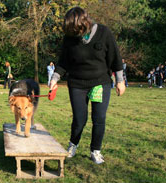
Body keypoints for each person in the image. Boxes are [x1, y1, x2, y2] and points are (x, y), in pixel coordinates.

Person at [49, 7, 125, 164]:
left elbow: (115, 58)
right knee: (79, 119)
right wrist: (55, 78)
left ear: (84, 24)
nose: (74, 35)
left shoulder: (104, 33)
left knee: (99, 118)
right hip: (77, 84)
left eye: (76, 30)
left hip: (99, 83)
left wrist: (120, 80)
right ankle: (72, 145)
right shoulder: (69, 38)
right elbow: (64, 62)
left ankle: (95, 151)